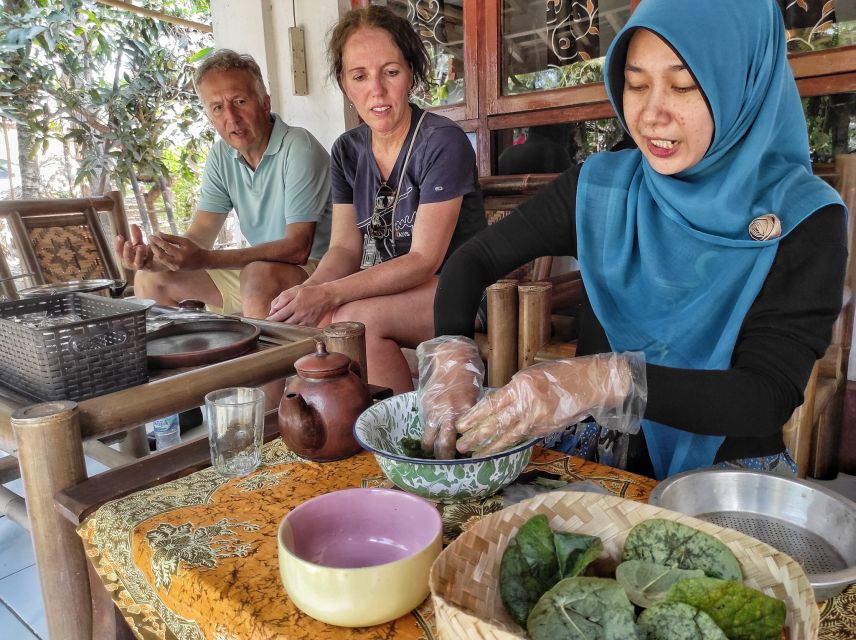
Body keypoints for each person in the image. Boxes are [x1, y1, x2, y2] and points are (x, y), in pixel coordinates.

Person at [432, 0, 847, 479]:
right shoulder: (603, 189)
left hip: (724, 480)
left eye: (683, 85)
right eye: (636, 83)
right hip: (591, 463)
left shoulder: (806, 216)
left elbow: (764, 395)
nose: (651, 114)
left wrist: (604, 379)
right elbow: (474, 259)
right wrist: (450, 359)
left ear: (742, 83)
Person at [267, 6, 486, 394]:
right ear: (344, 84)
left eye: (391, 72)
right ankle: (340, 431)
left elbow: (423, 260)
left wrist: (329, 294)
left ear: (412, 74)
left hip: (463, 288)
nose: (377, 91)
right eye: (360, 76)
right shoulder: (347, 151)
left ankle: (398, 438)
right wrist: (311, 292)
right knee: (322, 318)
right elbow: (344, 249)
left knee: (357, 318)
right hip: (391, 289)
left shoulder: (441, 142)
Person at [114, 49, 333, 318]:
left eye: (240, 101)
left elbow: (298, 248)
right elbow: (200, 236)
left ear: (265, 103)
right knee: (150, 280)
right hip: (259, 270)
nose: (231, 116)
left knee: (257, 276)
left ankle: (264, 361)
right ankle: (192, 360)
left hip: (317, 270)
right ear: (209, 117)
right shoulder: (221, 155)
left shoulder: (299, 147)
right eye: (217, 107)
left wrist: (204, 259)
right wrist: (160, 258)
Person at [497, 124, 573, 175]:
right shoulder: (556, 152)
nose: (568, 139)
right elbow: (572, 188)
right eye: (567, 132)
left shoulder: (507, 154)